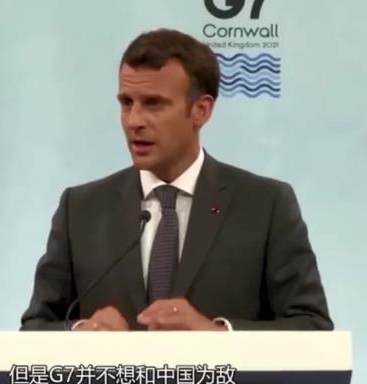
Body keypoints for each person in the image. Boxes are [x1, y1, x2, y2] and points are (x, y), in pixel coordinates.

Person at [19, 28, 333, 332]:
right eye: (126, 103)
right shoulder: (81, 209)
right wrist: (80, 332)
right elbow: (35, 327)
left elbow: (312, 326)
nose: (134, 121)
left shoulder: (265, 205)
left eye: (154, 104)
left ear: (201, 111)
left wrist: (216, 335)